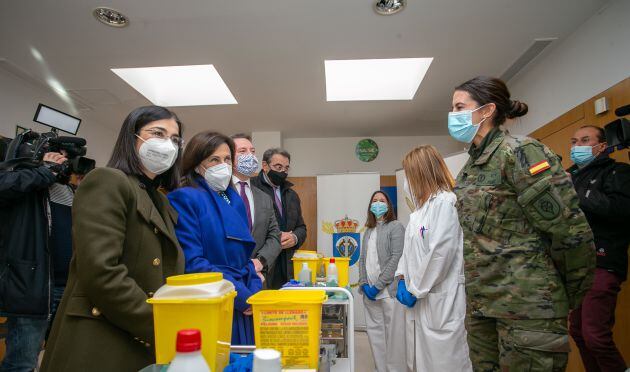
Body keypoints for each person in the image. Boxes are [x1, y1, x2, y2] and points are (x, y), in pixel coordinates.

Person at [450, 76, 595, 371]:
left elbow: (568, 230)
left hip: (529, 306)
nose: (453, 116)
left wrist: (567, 294)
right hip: (484, 306)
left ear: (486, 110)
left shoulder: (519, 152)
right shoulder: (470, 169)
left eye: (459, 107)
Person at [41, 105, 185, 372]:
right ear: (132, 138)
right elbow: (102, 271)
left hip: (138, 337)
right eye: (158, 133)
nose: (168, 144)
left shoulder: (160, 199)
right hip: (102, 337)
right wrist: (158, 324)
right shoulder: (107, 180)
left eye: (175, 139)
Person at [168, 131, 262, 345]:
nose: (224, 165)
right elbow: (192, 263)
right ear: (196, 164)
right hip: (216, 297)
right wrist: (241, 296)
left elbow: (245, 257)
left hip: (244, 297)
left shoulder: (233, 198)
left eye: (227, 159)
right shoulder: (185, 197)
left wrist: (255, 292)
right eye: (214, 159)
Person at [395, 145, 472, 371]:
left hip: (440, 300)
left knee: (444, 362)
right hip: (419, 298)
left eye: (408, 175)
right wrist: (401, 277)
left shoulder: (445, 203)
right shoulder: (418, 212)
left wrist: (416, 288)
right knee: (419, 362)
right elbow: (408, 251)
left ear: (420, 173)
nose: (406, 182)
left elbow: (440, 253)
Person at [567, 125, 630, 372]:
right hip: (576, 264)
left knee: (595, 335)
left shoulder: (619, 173)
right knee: (578, 332)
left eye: (584, 140)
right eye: (574, 141)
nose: (577, 146)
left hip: (604, 261)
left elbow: (621, 211)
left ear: (601, 146)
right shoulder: (571, 176)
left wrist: (578, 194)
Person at [0, 149, 68, 372]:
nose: (63, 160)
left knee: (57, 356)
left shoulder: (68, 190)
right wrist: (43, 171)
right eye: (58, 153)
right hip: (32, 285)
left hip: (67, 286)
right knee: (22, 363)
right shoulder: (25, 180)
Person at [357, 190, 407, 372]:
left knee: (393, 338)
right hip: (369, 293)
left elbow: (396, 258)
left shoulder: (396, 227)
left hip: (388, 292)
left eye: (382, 200)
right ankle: (381, 368)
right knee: (375, 335)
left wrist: (377, 286)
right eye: (375, 201)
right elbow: (362, 259)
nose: (378, 203)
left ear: (388, 205)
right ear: (370, 206)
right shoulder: (368, 230)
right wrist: (363, 283)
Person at [252, 148, 307, 289]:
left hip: (287, 263)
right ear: (265, 166)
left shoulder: (291, 195)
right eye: (278, 167)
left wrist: (294, 238)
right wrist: (275, 238)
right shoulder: (251, 189)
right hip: (262, 263)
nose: (283, 171)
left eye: (286, 168)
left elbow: (302, 227)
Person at [230, 134, 281, 285]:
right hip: (227, 277)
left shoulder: (264, 197)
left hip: (258, 277)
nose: (250, 156)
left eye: (252, 151)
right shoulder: (218, 193)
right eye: (242, 151)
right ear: (229, 158)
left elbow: (275, 236)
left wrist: (260, 261)